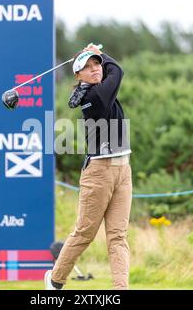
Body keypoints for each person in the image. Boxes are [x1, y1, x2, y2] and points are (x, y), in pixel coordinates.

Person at [45, 44, 132, 290]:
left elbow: (112, 72)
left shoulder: (101, 91)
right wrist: (102, 53)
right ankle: (55, 281)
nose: (95, 69)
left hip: (122, 168)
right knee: (84, 234)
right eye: (88, 67)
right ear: (78, 75)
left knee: (118, 236)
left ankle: (120, 290)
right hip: (99, 172)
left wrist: (96, 55)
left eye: (97, 65)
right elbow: (118, 71)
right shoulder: (95, 96)